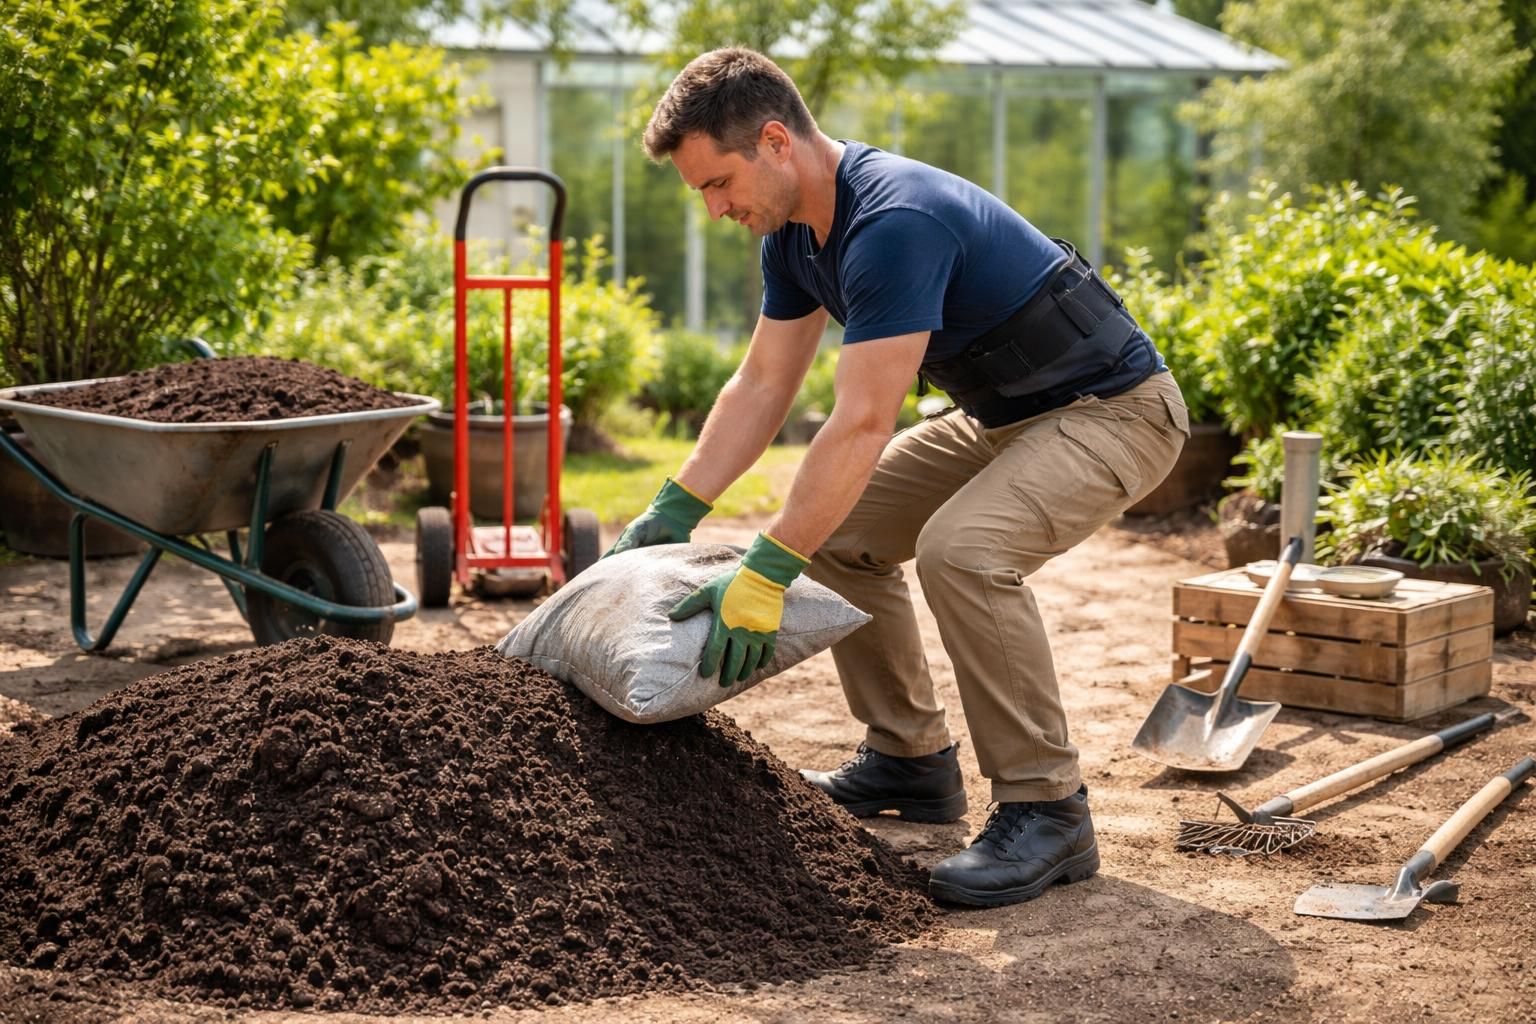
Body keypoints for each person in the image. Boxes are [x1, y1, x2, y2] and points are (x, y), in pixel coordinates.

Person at [607, 47, 1189, 907]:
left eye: (716, 183)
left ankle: (1048, 809)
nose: (715, 207)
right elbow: (764, 383)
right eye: (702, 191)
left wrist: (765, 571)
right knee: (840, 534)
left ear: (775, 141)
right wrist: (675, 505)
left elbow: (863, 423)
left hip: (1116, 410)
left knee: (964, 549)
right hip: (1006, 419)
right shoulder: (796, 237)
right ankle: (911, 762)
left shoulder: (893, 222)